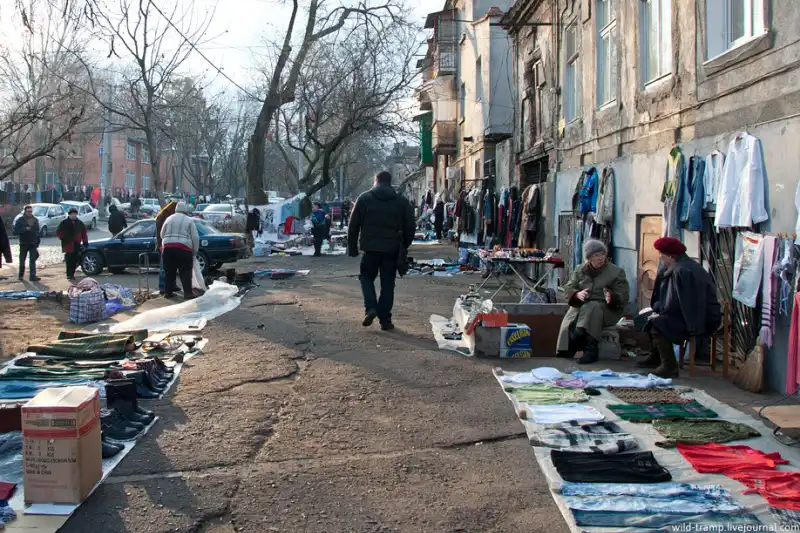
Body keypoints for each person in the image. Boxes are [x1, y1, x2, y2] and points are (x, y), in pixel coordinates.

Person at [637, 237, 721, 378]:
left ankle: (669, 367)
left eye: (662, 255)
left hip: (699, 320)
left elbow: (673, 304)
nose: (660, 258)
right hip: (697, 315)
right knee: (649, 319)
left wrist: (658, 309)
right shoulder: (687, 266)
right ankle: (657, 357)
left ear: (671, 256)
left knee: (657, 324)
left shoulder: (680, 271)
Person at [348, 171, 414, 331]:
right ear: (390, 182)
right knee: (388, 284)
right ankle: (385, 320)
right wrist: (404, 245)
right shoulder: (401, 201)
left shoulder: (364, 198)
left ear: (376, 181)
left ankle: (371, 307)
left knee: (366, 277)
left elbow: (353, 224)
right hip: (391, 249)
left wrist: (352, 247)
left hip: (370, 248)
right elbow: (410, 226)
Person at [556, 240, 629, 364]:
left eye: (602, 254)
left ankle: (590, 349)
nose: (600, 258)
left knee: (593, 307)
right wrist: (576, 294)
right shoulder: (580, 269)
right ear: (589, 258)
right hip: (582, 306)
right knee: (574, 315)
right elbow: (568, 287)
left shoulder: (616, 272)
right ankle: (566, 348)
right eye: (596, 255)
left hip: (607, 310)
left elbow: (624, 295)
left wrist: (612, 297)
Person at [160, 202, 199, 300]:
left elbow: (162, 234)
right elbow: (195, 237)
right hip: (183, 248)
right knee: (185, 271)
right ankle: (188, 293)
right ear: (186, 210)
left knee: (169, 271)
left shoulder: (169, 218)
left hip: (168, 247)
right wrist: (194, 251)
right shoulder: (189, 220)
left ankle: (168, 292)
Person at [57, 207, 89, 281]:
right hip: (68, 244)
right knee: (69, 260)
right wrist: (63, 238)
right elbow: (58, 232)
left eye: (75, 214)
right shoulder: (64, 223)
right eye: (72, 214)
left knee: (75, 259)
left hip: (77, 244)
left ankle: (72, 273)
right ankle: (69, 275)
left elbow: (84, 233)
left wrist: (85, 242)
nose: (74, 215)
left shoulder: (80, 223)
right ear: (69, 215)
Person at [155, 201, 178, 294]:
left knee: (171, 267)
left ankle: (171, 285)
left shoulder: (164, 215)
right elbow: (160, 233)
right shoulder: (164, 217)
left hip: (166, 244)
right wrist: (160, 245)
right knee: (164, 267)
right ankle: (163, 287)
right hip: (163, 244)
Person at [13, 205, 40, 282]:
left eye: (31, 211)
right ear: (25, 212)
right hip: (23, 243)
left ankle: (32, 276)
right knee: (22, 261)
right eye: (28, 211)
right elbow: (15, 231)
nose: (30, 213)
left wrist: (37, 241)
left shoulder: (35, 220)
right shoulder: (20, 220)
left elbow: (37, 231)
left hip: (33, 243)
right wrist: (25, 229)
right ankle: (21, 275)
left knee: (32, 261)